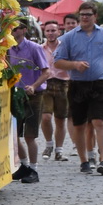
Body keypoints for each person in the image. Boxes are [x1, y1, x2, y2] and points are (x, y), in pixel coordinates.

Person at [51, 1, 103, 175]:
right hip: (78, 85)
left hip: (99, 84)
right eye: (82, 14)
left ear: (95, 16)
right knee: (80, 125)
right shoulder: (69, 37)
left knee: (99, 121)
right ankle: (84, 160)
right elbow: (57, 62)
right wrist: (74, 64)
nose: (85, 17)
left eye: (88, 14)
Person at [8, 17, 49, 183]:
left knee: (30, 135)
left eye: (16, 28)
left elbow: (46, 72)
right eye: (11, 28)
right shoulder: (8, 49)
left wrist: (33, 85)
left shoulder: (34, 48)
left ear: (24, 30)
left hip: (34, 95)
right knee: (15, 134)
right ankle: (23, 166)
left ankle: (34, 169)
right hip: (16, 95)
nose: (13, 31)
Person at [38, 17, 71, 161]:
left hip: (63, 83)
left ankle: (59, 150)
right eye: (48, 31)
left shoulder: (65, 47)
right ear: (44, 32)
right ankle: (49, 144)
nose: (51, 33)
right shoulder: (40, 48)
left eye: (53, 30)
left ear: (59, 31)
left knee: (60, 119)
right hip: (46, 83)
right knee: (45, 117)